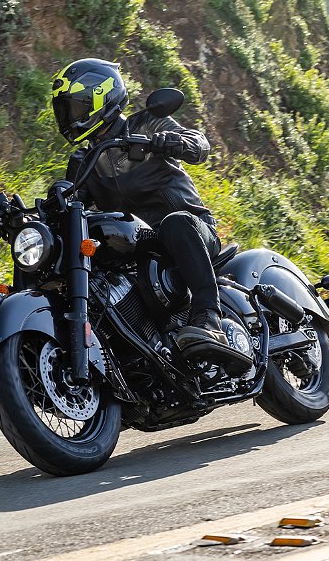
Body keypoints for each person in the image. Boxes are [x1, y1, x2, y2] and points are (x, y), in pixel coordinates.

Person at [51, 57, 247, 371]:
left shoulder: (148, 124)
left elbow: (199, 144)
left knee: (175, 223)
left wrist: (175, 142)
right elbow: (72, 202)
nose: (69, 116)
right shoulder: (83, 160)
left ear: (101, 98)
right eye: (65, 109)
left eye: (75, 107)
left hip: (190, 230)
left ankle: (209, 317)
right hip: (139, 245)